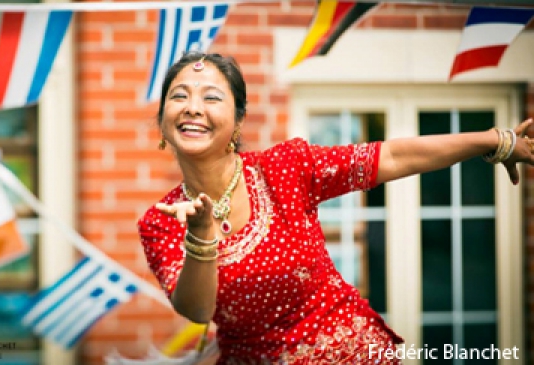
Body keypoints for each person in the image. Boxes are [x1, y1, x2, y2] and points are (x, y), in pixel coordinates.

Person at [137, 52, 534, 364]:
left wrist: (493, 139)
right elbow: (197, 309)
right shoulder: (161, 221)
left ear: (238, 121)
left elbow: (391, 157)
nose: (192, 107)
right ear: (162, 122)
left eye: (211, 96)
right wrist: (200, 236)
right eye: (179, 95)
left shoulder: (285, 169)